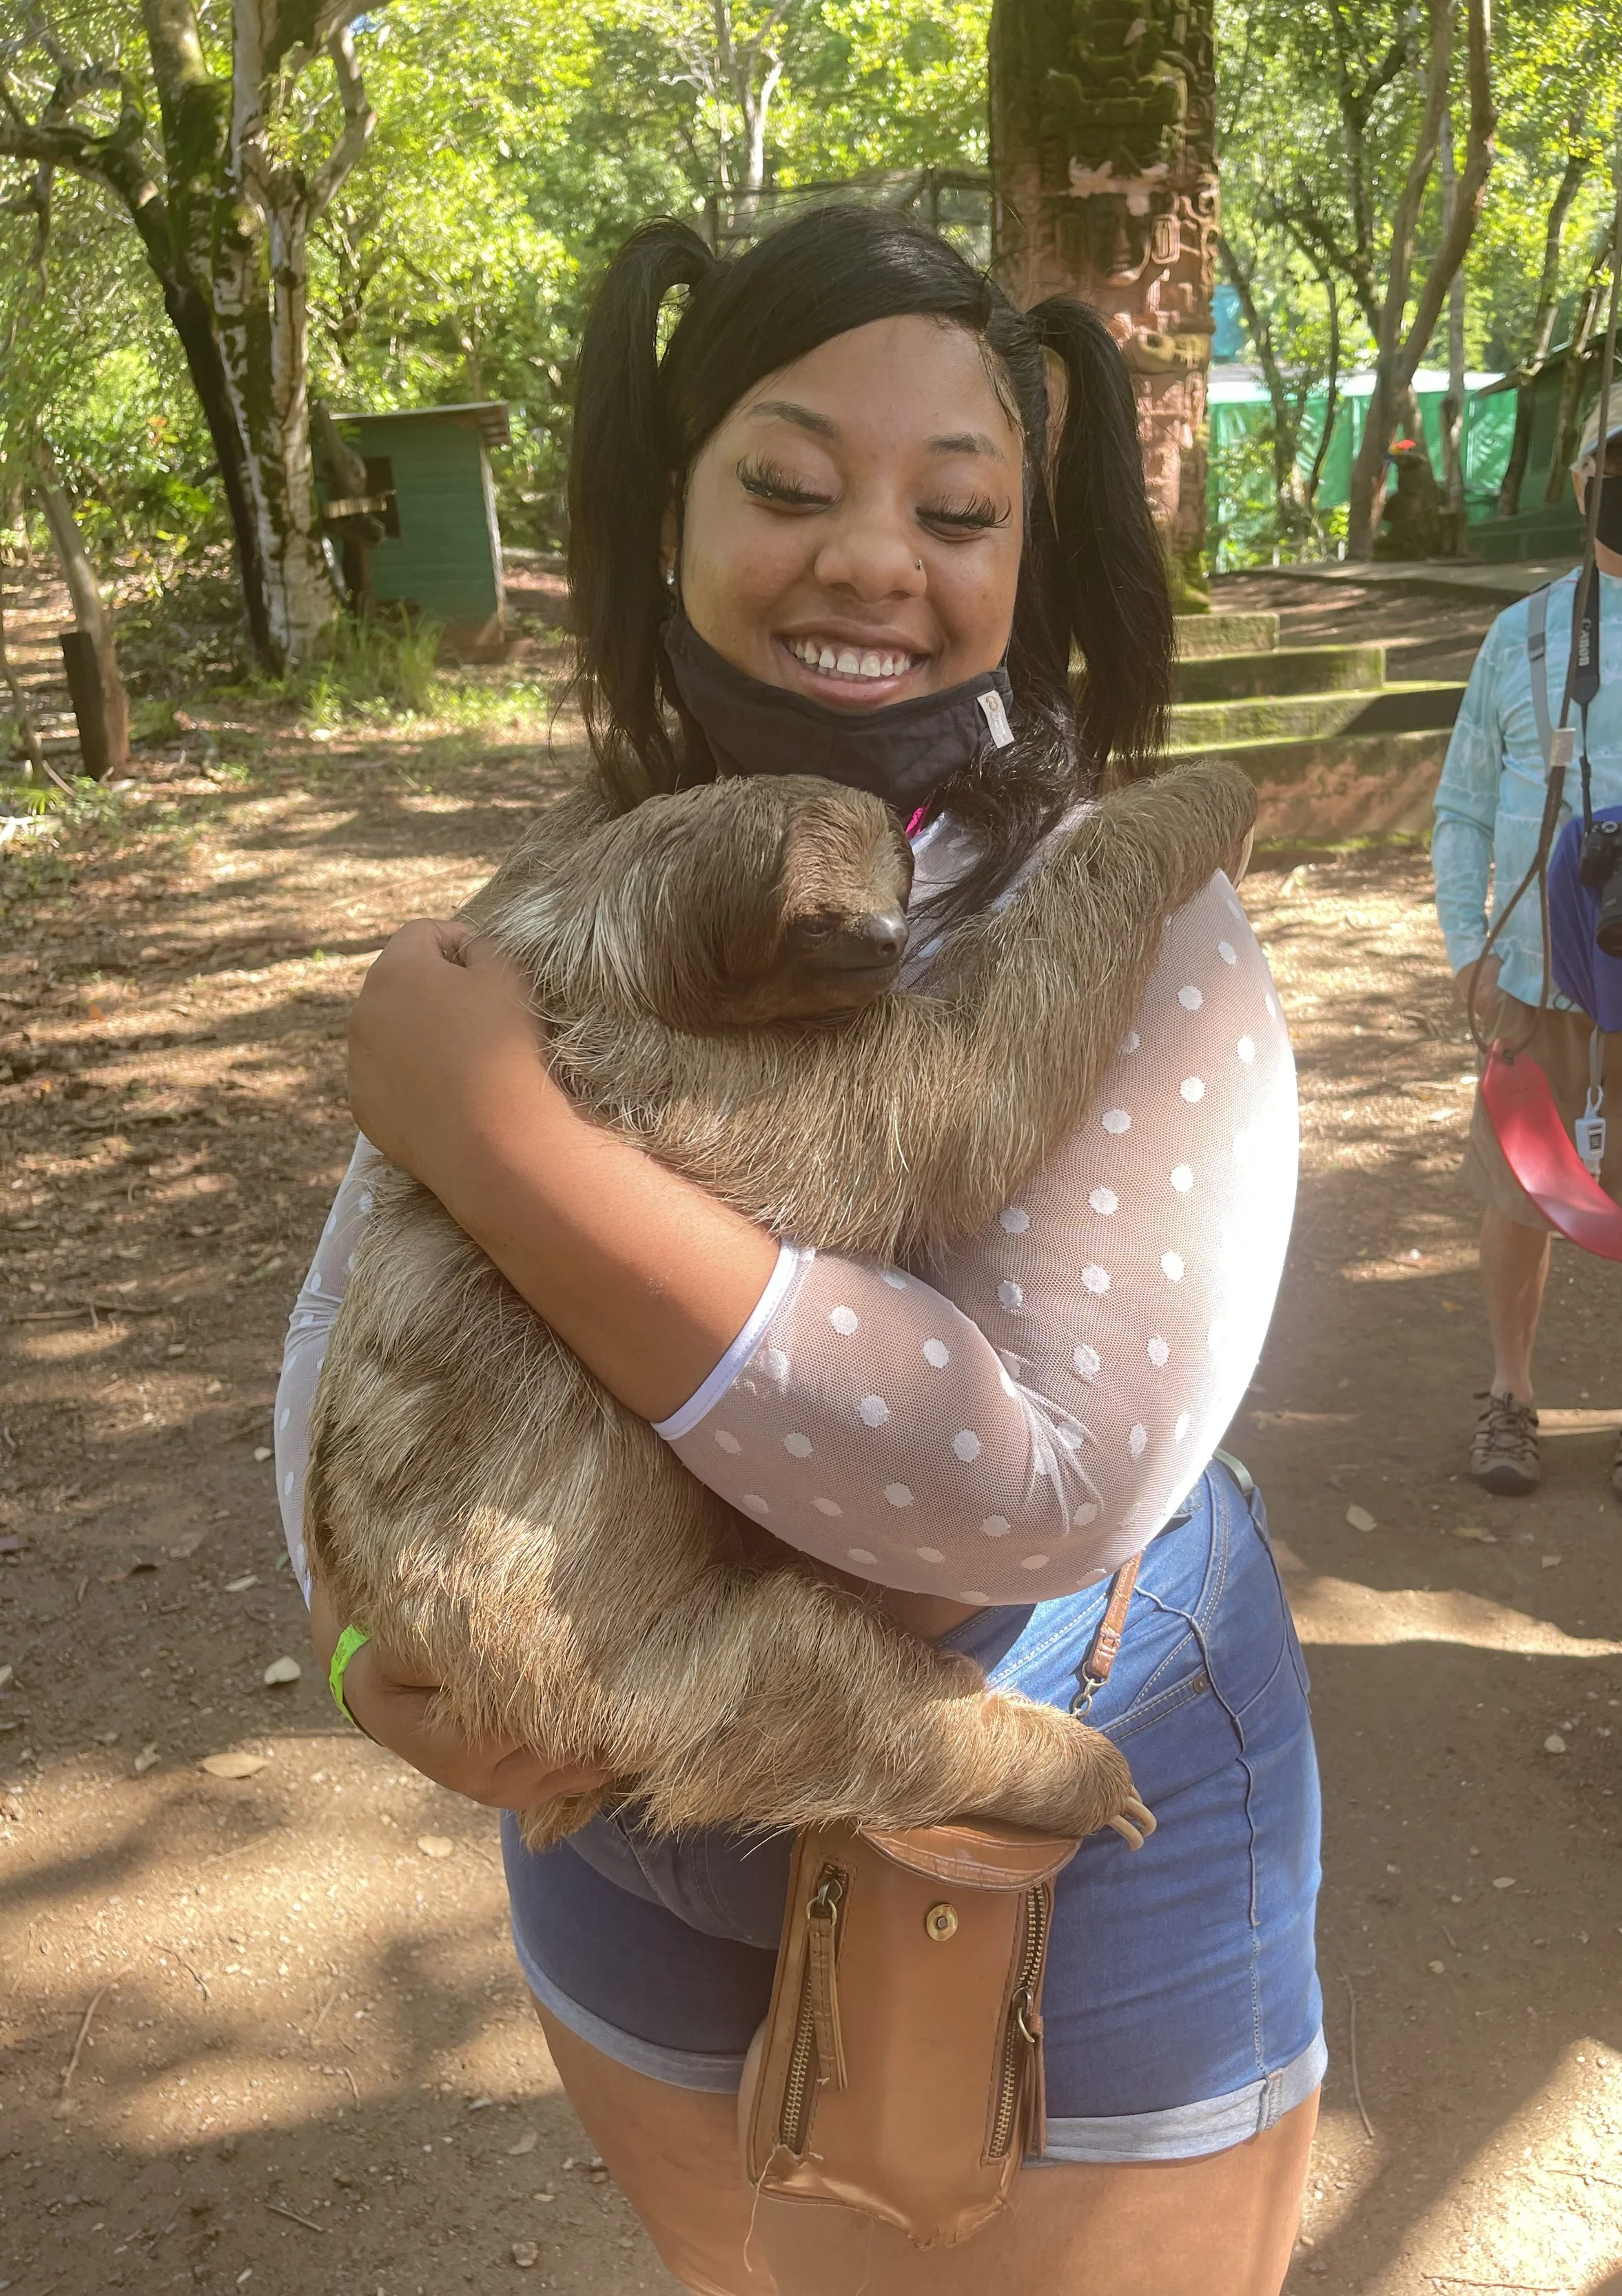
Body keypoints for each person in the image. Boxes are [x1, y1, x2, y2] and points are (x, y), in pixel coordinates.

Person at [274, 207, 1320, 2295]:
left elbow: (1033, 1488)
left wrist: (506, 1144)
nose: (869, 555)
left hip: (1033, 1801)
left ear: (1025, 553)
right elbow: (348, 1350)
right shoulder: (569, 883)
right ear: (668, 511)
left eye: (954, 507)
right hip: (633, 1818)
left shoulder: (1127, 931)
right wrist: (374, 1664)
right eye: (785, 482)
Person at [1433, 357, 1622, 1509]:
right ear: (1585, 471)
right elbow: (1462, 805)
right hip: (1539, 972)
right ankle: (1510, 1392)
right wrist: (1469, 948)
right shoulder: (1525, 635)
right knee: (1521, 1196)